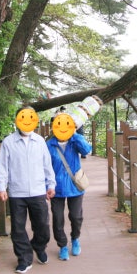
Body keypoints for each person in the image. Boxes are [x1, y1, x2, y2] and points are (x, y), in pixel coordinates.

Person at [0, 106, 56, 274]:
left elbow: (47, 165)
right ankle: (24, 258)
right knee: (18, 228)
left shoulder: (40, 141)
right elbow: (2, 167)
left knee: (43, 226)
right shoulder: (8, 142)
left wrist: (51, 185)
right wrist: (2, 187)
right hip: (17, 193)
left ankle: (38, 245)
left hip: (38, 191)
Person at [46, 111, 93, 260]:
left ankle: (75, 239)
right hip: (56, 187)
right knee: (58, 218)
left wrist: (75, 134)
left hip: (75, 186)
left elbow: (87, 150)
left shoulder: (75, 141)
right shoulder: (49, 145)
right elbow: (43, 166)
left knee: (76, 216)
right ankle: (63, 245)